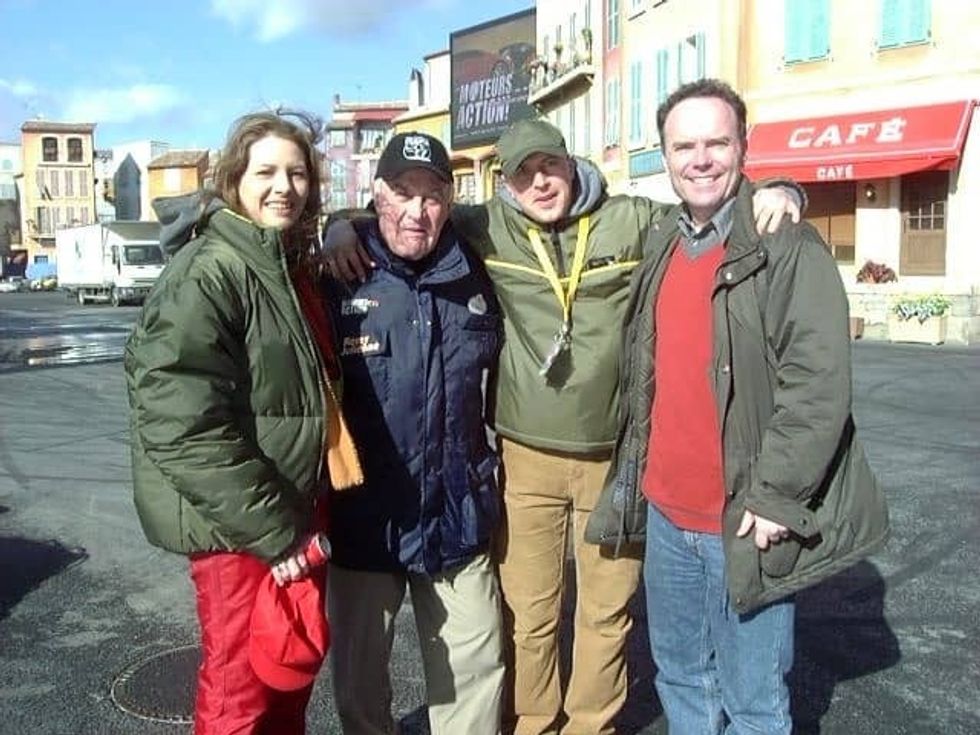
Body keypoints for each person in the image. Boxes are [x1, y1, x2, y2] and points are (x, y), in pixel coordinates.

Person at [323, 118, 802, 735]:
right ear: (505, 184)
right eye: (523, 173)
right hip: (523, 458)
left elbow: (705, 204)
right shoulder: (485, 227)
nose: (540, 182)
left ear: (570, 164)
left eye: (549, 165)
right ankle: (533, 724)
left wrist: (780, 188)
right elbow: (397, 215)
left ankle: (588, 727)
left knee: (605, 613)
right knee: (529, 614)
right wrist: (340, 226)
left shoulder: (629, 219)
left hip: (615, 456)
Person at [591, 79, 889, 734]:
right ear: (665, 155)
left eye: (716, 143)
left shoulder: (787, 245)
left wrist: (777, 495)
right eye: (684, 146)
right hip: (666, 512)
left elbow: (817, 385)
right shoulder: (664, 240)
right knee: (681, 675)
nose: (700, 159)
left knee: (753, 698)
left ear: (743, 147)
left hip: (744, 518)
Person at [125, 110, 361, 734]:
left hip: (289, 509)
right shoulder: (211, 271)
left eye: (297, 173)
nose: (284, 187)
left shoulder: (281, 262)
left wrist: (345, 225)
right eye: (266, 172)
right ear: (234, 180)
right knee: (239, 694)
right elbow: (179, 423)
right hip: (242, 528)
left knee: (286, 674)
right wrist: (276, 533)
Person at [323, 132, 505, 735]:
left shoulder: (480, 268)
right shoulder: (337, 275)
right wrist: (335, 227)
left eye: (431, 196)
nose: (416, 211)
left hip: (457, 512)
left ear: (450, 202)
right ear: (377, 194)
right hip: (364, 519)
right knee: (359, 684)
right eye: (402, 193)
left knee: (476, 672)